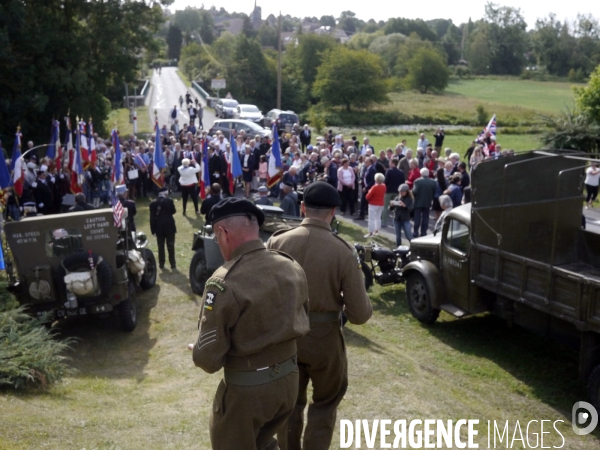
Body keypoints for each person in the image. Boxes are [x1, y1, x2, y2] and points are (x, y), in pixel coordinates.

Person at [190, 197, 310, 450]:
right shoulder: (290, 265)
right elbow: (302, 315)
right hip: (289, 382)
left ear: (222, 233)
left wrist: (198, 349)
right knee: (265, 443)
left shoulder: (223, 281)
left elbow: (207, 360)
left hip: (248, 393)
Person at [267, 182, 372, 450]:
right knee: (324, 404)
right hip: (324, 340)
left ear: (302, 207)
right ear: (334, 212)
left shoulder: (277, 241)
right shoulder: (343, 250)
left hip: (285, 336)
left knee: (290, 403)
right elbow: (359, 315)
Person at [149, 187, 177, 270]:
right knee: (171, 246)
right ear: (165, 194)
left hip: (159, 227)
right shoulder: (169, 201)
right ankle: (173, 264)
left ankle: (161, 264)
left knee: (160, 246)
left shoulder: (153, 203)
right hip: (169, 226)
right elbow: (173, 211)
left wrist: (153, 230)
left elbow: (152, 218)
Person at [412, 168, 436, 238]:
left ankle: (415, 232)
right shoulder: (433, 182)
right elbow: (434, 192)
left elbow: (414, 191)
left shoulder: (417, 181)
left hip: (418, 201)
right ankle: (423, 232)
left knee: (417, 218)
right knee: (426, 217)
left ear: (421, 173)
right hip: (428, 201)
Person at [382, 158, 405, 227]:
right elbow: (402, 182)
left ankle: (383, 222)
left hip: (388, 191)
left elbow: (386, 181)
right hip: (397, 192)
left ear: (393, 163)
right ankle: (394, 222)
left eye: (390, 162)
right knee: (395, 208)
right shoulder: (401, 172)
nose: (389, 163)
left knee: (385, 207)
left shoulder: (389, 171)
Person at [365, 173, 386, 238]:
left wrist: (369, 192)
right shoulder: (384, 186)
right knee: (378, 218)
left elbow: (368, 197)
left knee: (371, 218)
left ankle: (370, 233)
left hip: (373, 204)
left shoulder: (374, 187)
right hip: (381, 203)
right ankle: (376, 231)